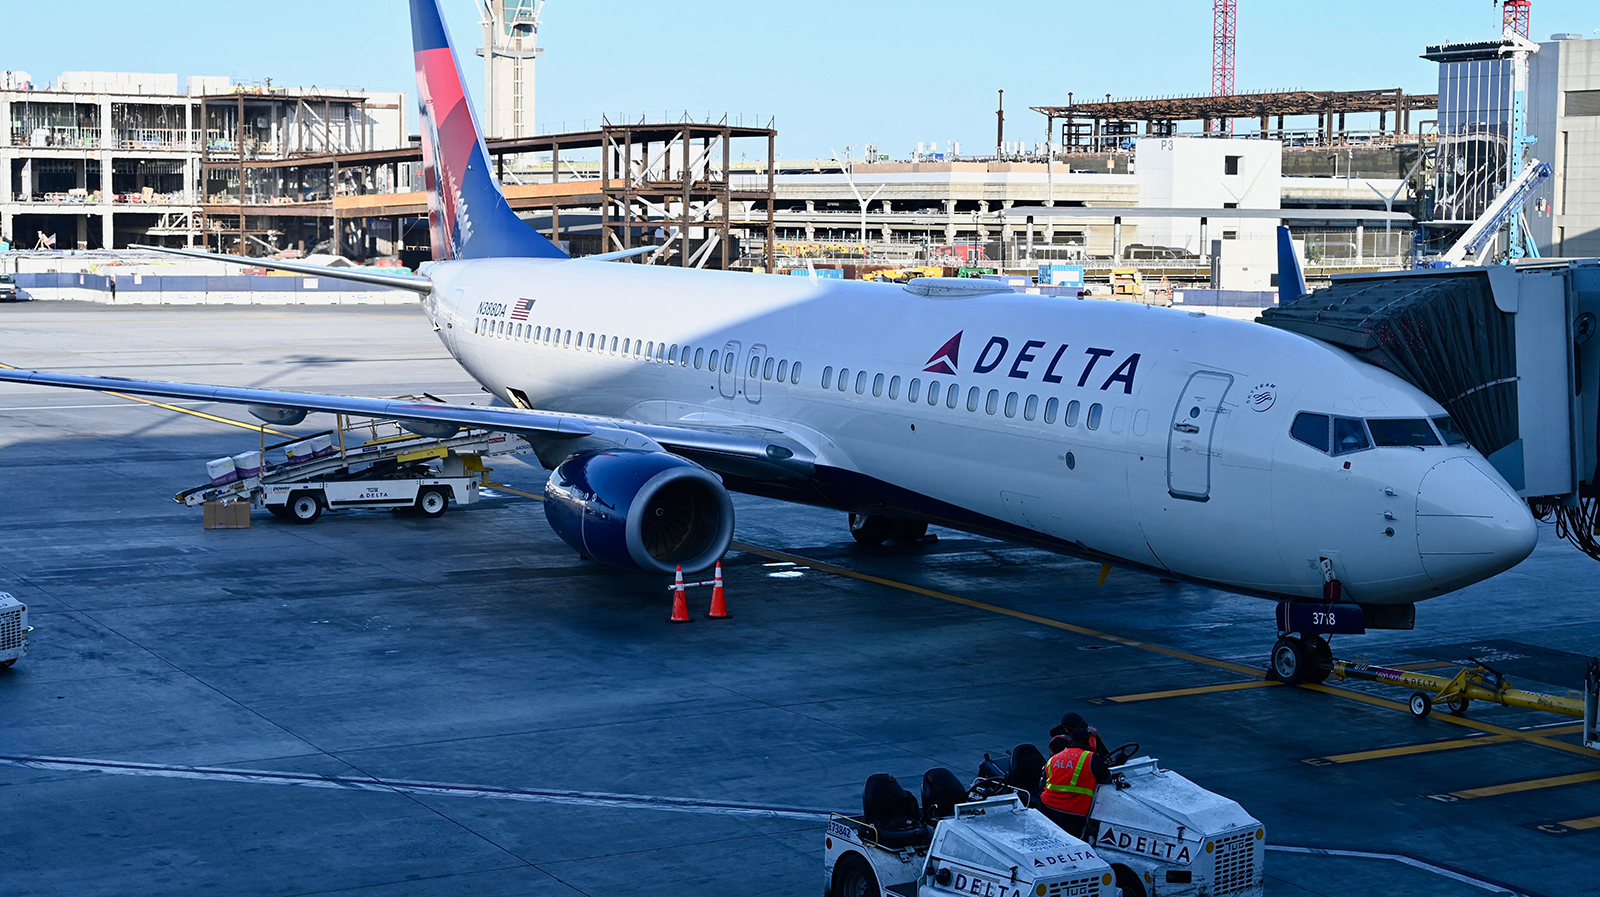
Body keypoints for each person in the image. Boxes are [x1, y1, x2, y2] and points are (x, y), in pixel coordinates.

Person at [1038, 730, 1110, 838]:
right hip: (1074, 812)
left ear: (1070, 742)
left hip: (1047, 807)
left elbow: (1041, 786)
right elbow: (1107, 779)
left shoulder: (1053, 759)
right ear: (1088, 743)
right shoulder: (1091, 758)